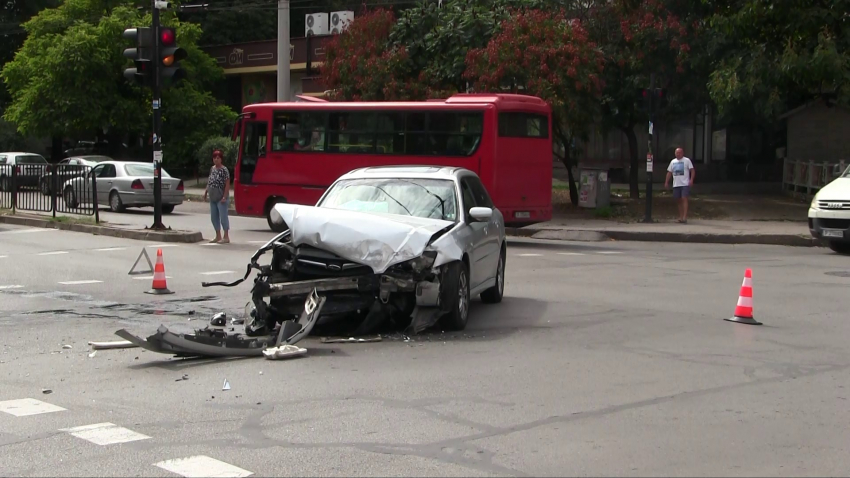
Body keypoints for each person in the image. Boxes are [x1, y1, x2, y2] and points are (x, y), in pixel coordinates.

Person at [203, 149, 231, 243]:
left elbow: (227, 183)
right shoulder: (212, 169)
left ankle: (226, 236)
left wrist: (224, 196)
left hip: (221, 197)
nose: (216, 159)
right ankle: (217, 235)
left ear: (221, 159)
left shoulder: (224, 170)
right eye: (214, 158)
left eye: (218, 158)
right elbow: (210, 181)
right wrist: (206, 192)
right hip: (213, 197)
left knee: (223, 217)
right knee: (214, 217)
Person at [665, 147, 695, 223]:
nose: (678, 154)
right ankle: (681, 216)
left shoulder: (687, 160)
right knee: (678, 200)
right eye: (676, 152)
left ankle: (685, 217)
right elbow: (669, 172)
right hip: (676, 184)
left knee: (684, 198)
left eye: (679, 152)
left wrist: (691, 180)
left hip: (685, 183)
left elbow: (692, 170)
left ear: (682, 153)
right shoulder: (673, 162)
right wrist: (666, 182)